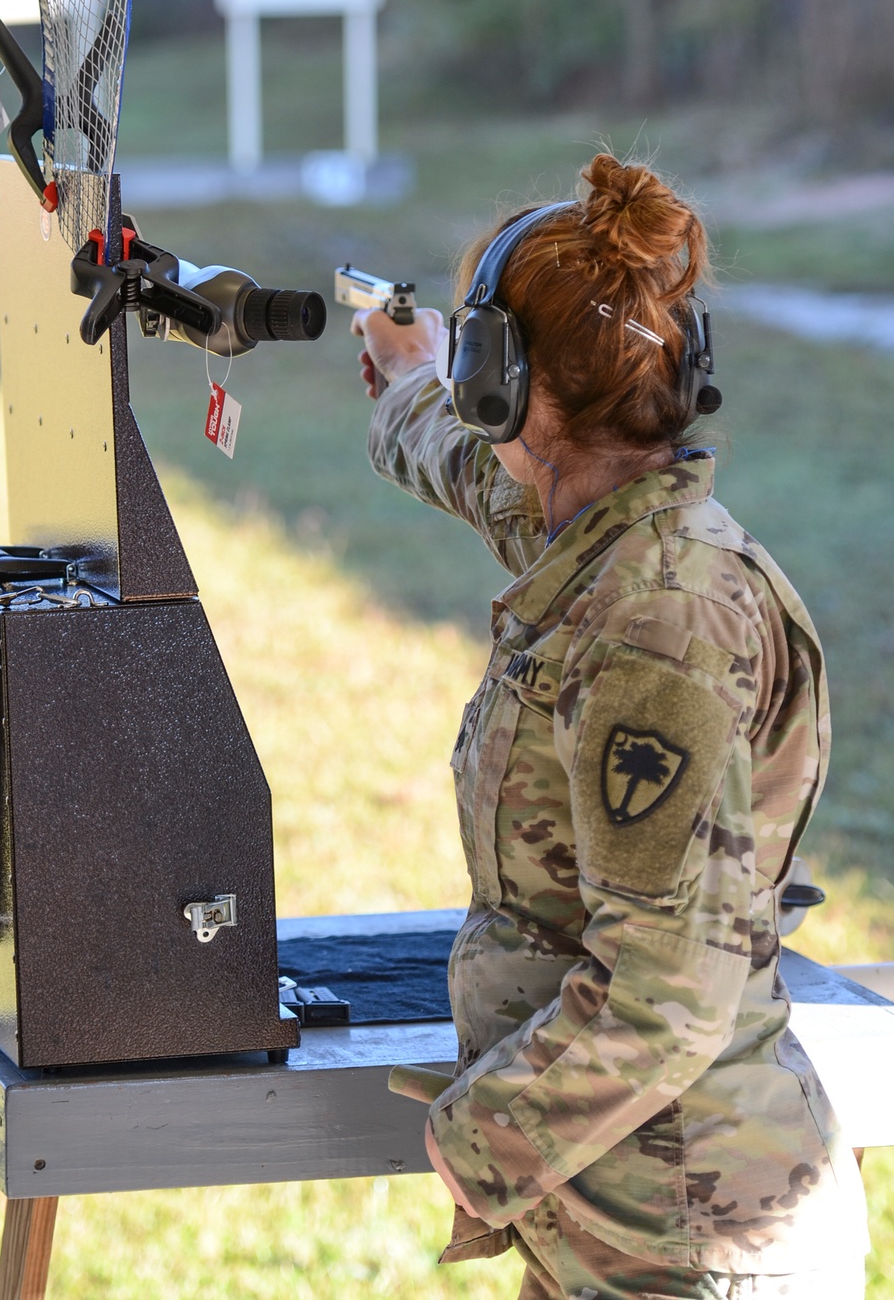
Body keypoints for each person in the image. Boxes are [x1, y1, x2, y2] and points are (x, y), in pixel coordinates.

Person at [351, 154, 869, 1300]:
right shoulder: (606, 538)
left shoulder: (653, 629)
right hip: (620, 1226)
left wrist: (471, 1140)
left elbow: (663, 996)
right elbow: (477, 475)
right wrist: (406, 382)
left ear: (505, 387)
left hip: (690, 1247)